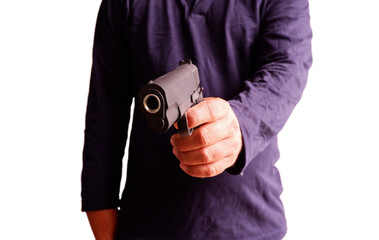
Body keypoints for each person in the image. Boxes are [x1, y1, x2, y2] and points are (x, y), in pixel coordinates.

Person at [81, 0, 312, 239]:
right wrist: (102, 220)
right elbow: (105, 113)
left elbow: (287, 68)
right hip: (147, 226)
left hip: (249, 225)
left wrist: (241, 123)